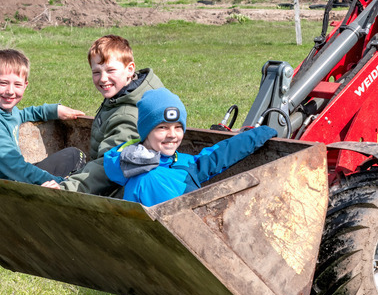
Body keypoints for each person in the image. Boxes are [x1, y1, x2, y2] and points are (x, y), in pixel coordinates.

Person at [103, 88, 277, 207]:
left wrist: (257, 135)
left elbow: (216, 157)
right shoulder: (148, 178)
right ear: (146, 131)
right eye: (162, 127)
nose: (172, 134)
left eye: (178, 127)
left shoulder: (179, 163)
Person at [0, 48, 86, 187]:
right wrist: (64, 185)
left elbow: (21, 114)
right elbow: (17, 168)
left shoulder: (2, 110)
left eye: (17, 84)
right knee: (71, 175)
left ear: (25, 85)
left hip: (7, 177)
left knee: (73, 155)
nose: (10, 91)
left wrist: (53, 110)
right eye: (3, 83)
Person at [59, 35, 165, 194]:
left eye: (110, 70)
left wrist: (67, 189)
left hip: (120, 186)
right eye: (96, 72)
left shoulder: (127, 115)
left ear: (129, 69)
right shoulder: (126, 94)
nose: (103, 78)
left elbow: (107, 167)